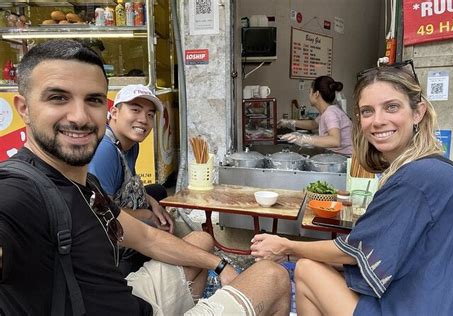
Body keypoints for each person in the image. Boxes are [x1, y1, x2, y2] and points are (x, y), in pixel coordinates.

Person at [0, 39, 290, 315]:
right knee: (272, 275)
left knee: (201, 242)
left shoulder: (85, 183)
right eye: (58, 97)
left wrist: (221, 264)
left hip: (128, 297)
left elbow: (148, 239)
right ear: (24, 108)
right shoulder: (19, 192)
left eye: (93, 100)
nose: (79, 116)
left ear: (106, 108)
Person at [250, 61, 453, 314]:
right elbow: (384, 254)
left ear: (418, 112)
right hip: (435, 297)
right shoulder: (437, 167)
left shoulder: (419, 177)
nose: (378, 121)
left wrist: (287, 246)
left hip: (421, 305)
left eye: (391, 107)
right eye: (367, 111)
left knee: (306, 270)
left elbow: (357, 251)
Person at [88, 84, 173, 275]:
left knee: (157, 192)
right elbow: (100, 214)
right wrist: (149, 216)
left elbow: (131, 184)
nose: (143, 120)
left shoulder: (131, 144)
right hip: (101, 238)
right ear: (115, 112)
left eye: (150, 114)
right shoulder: (105, 151)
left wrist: (155, 205)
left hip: (113, 204)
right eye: (135, 110)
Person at [278, 76, 352, 155]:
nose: (309, 95)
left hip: (346, 158)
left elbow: (335, 140)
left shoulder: (330, 113)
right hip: (339, 156)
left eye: (310, 92)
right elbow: (313, 124)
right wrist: (290, 122)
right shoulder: (328, 111)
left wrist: (304, 139)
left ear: (316, 94)